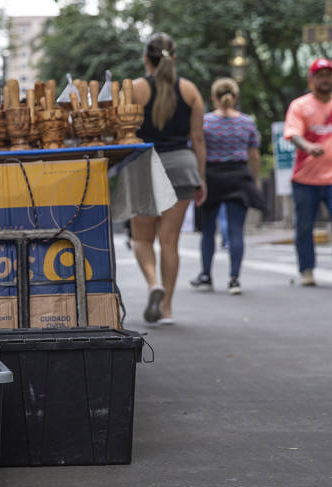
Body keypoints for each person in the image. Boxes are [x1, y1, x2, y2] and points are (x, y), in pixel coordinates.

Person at [131, 32, 207, 324]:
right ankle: (167, 310)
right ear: (174, 58)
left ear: (145, 58)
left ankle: (154, 284)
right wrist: (201, 177)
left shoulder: (136, 89)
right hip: (182, 166)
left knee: (141, 238)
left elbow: (125, 133)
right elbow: (198, 139)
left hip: (144, 166)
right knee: (170, 241)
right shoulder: (190, 91)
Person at [284, 58, 332, 287]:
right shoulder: (299, 106)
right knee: (305, 225)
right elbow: (293, 133)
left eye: (328, 74)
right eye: (320, 75)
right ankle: (307, 269)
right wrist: (308, 147)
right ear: (311, 80)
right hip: (305, 177)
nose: (325, 79)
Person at [190, 78, 265, 294]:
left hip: (212, 176)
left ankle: (205, 276)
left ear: (213, 97)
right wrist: (254, 180)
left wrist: (199, 177)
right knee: (235, 231)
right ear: (236, 96)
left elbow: (198, 150)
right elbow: (254, 155)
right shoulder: (247, 122)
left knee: (208, 230)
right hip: (239, 177)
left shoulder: (205, 122)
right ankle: (234, 279)